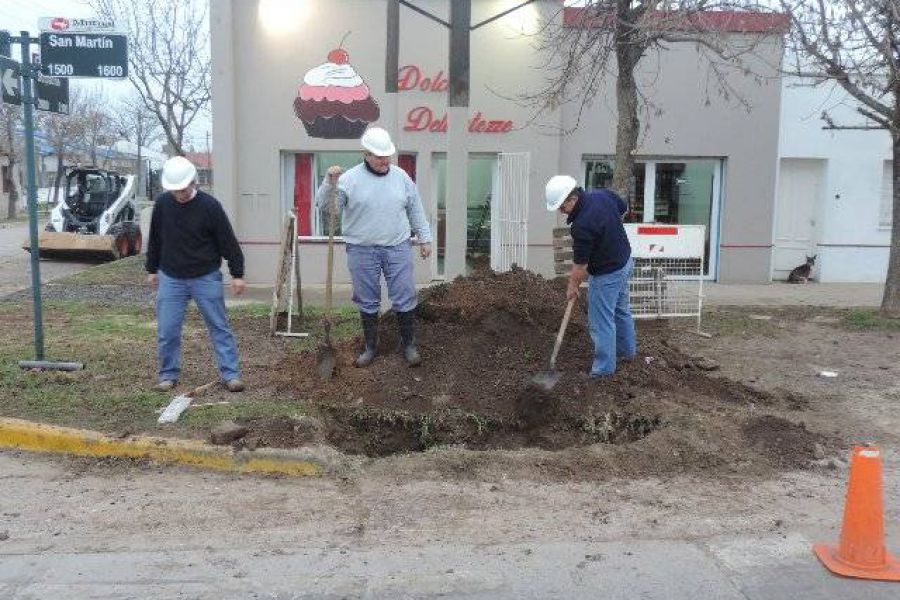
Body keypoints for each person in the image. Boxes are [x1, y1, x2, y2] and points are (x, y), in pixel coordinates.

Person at [316, 126, 432, 367]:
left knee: (404, 294)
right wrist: (329, 183)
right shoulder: (348, 180)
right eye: (379, 157)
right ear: (366, 154)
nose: (384, 161)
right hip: (361, 249)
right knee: (367, 298)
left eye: (387, 156)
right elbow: (328, 208)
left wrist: (425, 237)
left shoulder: (401, 177)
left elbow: (415, 208)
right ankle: (371, 347)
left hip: (397, 245)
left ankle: (408, 344)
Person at [145, 156, 246, 392]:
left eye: (182, 189)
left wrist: (237, 273)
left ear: (193, 182)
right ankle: (168, 375)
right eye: (174, 190)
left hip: (205, 276)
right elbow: (156, 239)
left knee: (219, 326)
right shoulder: (162, 204)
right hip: (171, 277)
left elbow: (228, 242)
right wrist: (151, 268)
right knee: (167, 330)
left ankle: (231, 374)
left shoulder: (210, 206)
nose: (178, 194)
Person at [545, 175, 636, 377]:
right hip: (625, 260)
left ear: (572, 198)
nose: (561, 211)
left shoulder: (582, 225)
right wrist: (606, 232)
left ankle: (603, 371)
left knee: (600, 321)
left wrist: (572, 286)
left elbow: (580, 265)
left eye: (561, 206)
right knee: (621, 311)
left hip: (608, 273)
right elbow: (622, 208)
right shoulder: (602, 195)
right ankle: (627, 355)